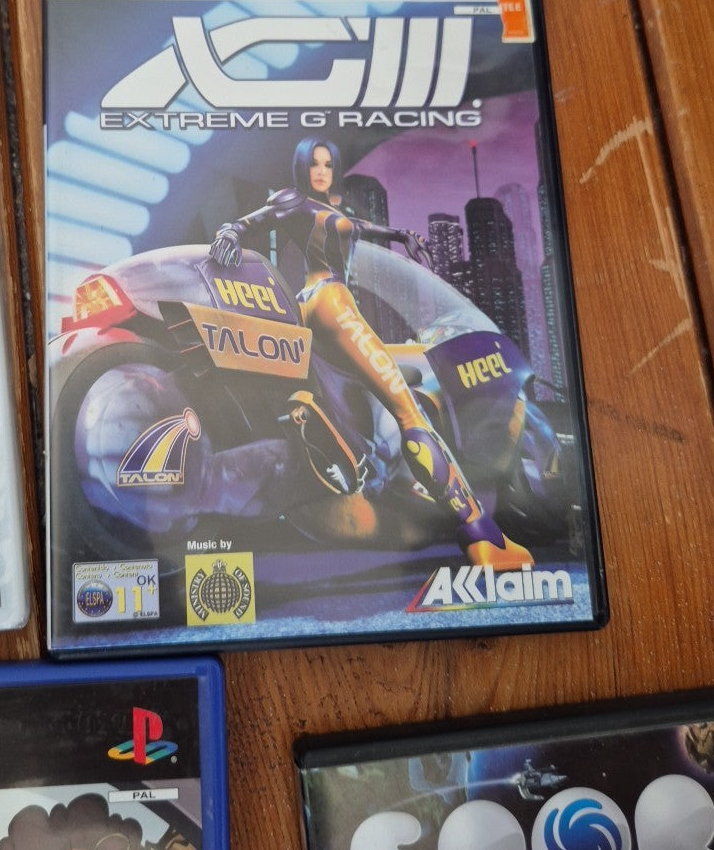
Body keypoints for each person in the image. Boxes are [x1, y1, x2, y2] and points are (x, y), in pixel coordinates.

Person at [209, 136, 532, 569]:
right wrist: (230, 232)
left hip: (310, 309)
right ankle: (481, 536)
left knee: (349, 401)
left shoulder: (326, 209)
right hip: (331, 301)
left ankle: (329, 438)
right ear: (301, 166)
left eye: (328, 164)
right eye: (313, 163)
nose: (321, 171)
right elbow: (254, 220)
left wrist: (401, 235)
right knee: (409, 414)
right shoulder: (294, 201)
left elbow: (360, 228)